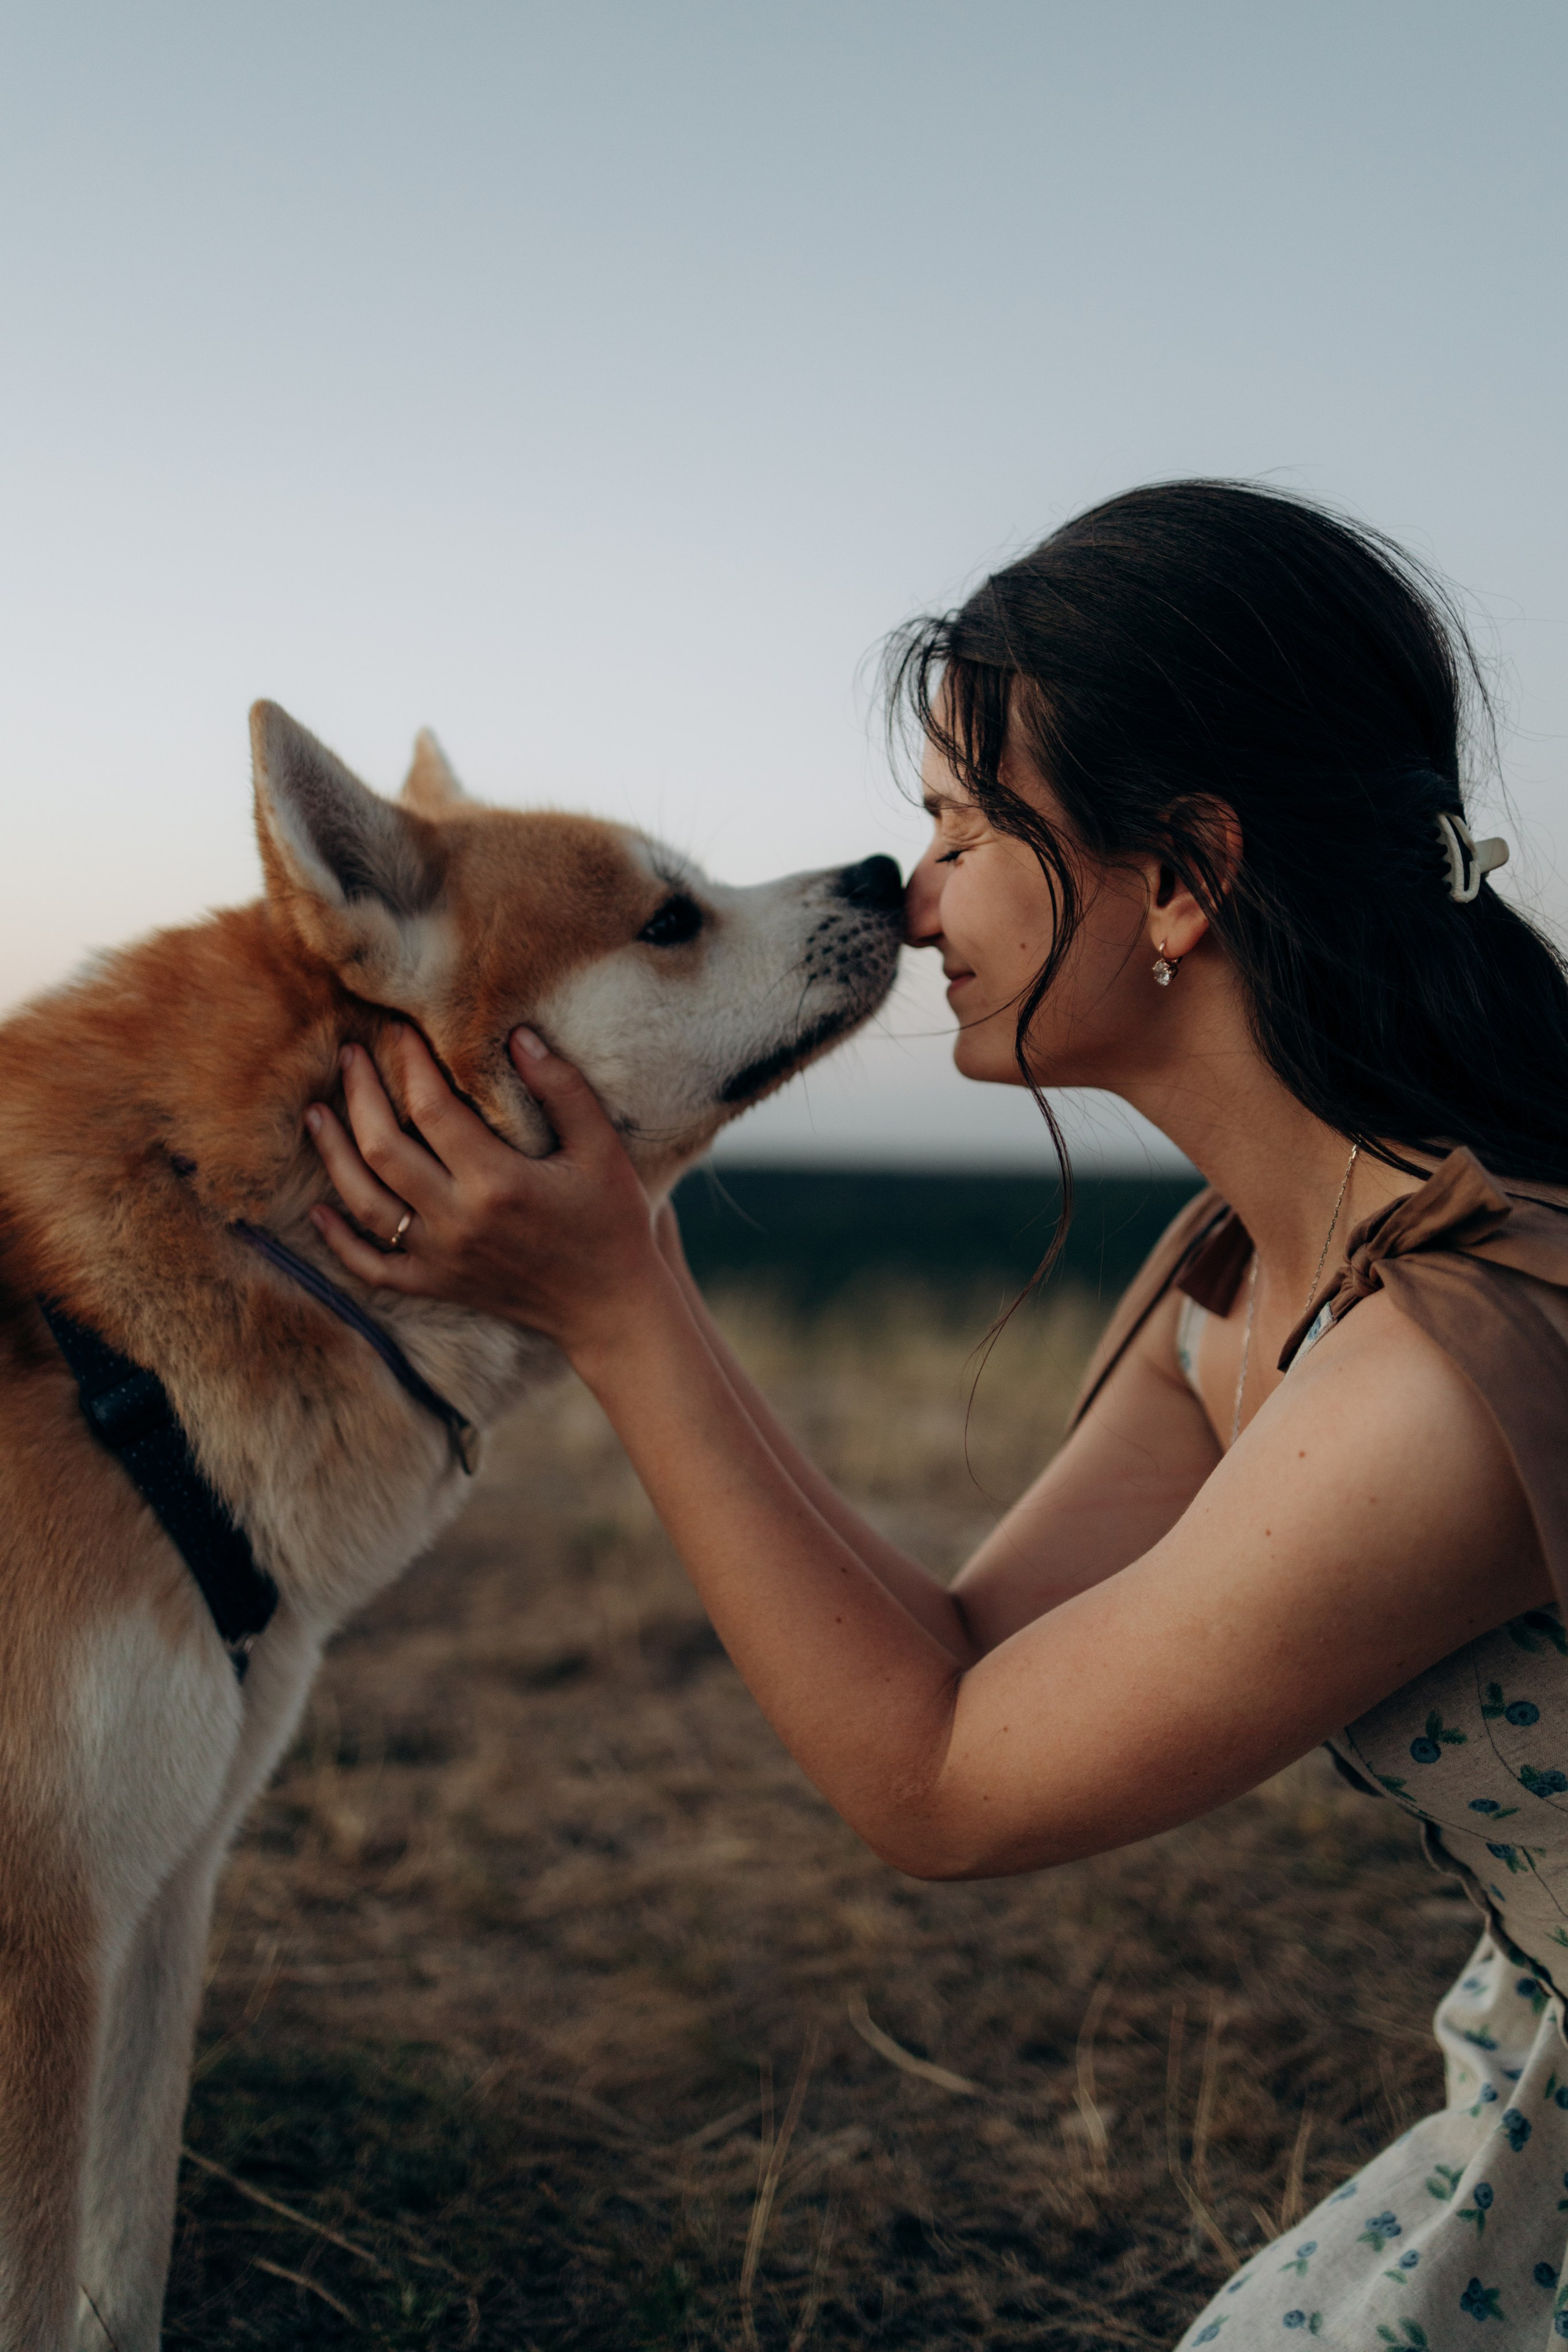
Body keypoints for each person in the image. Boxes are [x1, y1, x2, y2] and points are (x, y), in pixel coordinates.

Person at [303, 481, 1568, 2346]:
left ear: (1191, 875)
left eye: (968, 826)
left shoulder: (1447, 1360)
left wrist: (619, 1304)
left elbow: (946, 1791)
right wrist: (624, 1274)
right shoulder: (1245, 1286)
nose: (915, 893)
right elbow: (967, 1661)